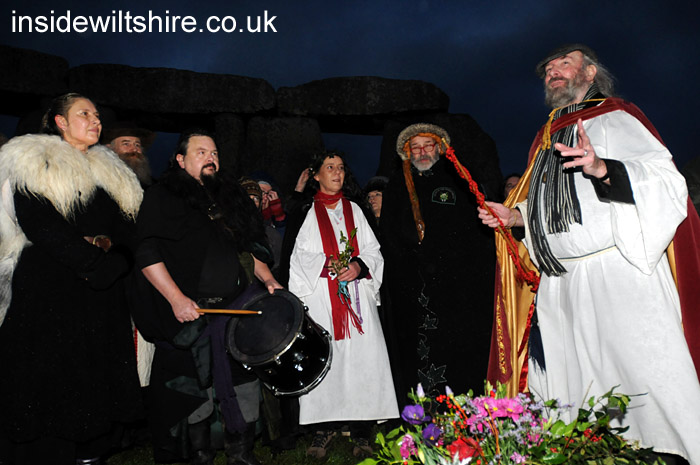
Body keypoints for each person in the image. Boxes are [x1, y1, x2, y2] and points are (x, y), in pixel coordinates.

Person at [478, 44, 700, 463]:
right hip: (561, 280)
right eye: (548, 68)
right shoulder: (546, 137)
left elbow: (665, 180)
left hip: (617, 269)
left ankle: (676, 450)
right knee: (577, 380)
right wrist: (515, 217)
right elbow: (547, 207)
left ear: (591, 72)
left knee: (646, 371)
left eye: (565, 62)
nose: (553, 71)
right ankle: (597, 450)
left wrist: (603, 168)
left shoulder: (617, 116)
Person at [0, 93, 143, 464]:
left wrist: (118, 261)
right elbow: (42, 224)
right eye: (84, 113)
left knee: (95, 383)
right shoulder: (33, 161)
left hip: (101, 297)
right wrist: (95, 263)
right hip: (50, 292)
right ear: (60, 122)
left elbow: (128, 228)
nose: (95, 120)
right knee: (53, 385)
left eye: (96, 114)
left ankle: (90, 453)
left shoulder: (110, 171)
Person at [131, 129, 281, 465]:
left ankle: (241, 454)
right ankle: (200, 456)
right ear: (180, 160)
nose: (210, 158)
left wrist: (270, 280)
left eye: (214, 153)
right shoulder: (162, 196)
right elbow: (147, 252)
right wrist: (175, 299)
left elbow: (248, 248)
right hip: (191, 314)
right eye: (201, 152)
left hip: (237, 310)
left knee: (242, 382)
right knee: (193, 388)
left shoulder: (231, 196)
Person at [287, 150, 398, 459]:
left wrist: (359, 266)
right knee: (328, 360)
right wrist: (328, 264)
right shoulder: (305, 212)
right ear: (316, 175)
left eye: (340, 168)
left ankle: (362, 432)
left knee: (363, 360)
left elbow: (373, 250)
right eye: (329, 167)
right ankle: (324, 428)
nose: (337, 172)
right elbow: (297, 256)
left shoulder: (356, 210)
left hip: (357, 298)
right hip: (321, 297)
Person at [380, 123, 497, 401]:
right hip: (415, 287)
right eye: (415, 147)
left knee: (460, 347)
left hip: (458, 286)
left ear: (439, 148)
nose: (422, 152)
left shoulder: (460, 179)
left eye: (427, 145)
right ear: (407, 152)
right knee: (420, 349)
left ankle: (465, 406)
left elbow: (477, 231)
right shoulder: (397, 185)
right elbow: (389, 235)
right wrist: (410, 267)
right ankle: (424, 409)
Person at [102, 121, 156, 188]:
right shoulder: (100, 181)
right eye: (126, 144)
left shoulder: (153, 187)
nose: (134, 149)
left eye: (137, 145)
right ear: (110, 148)